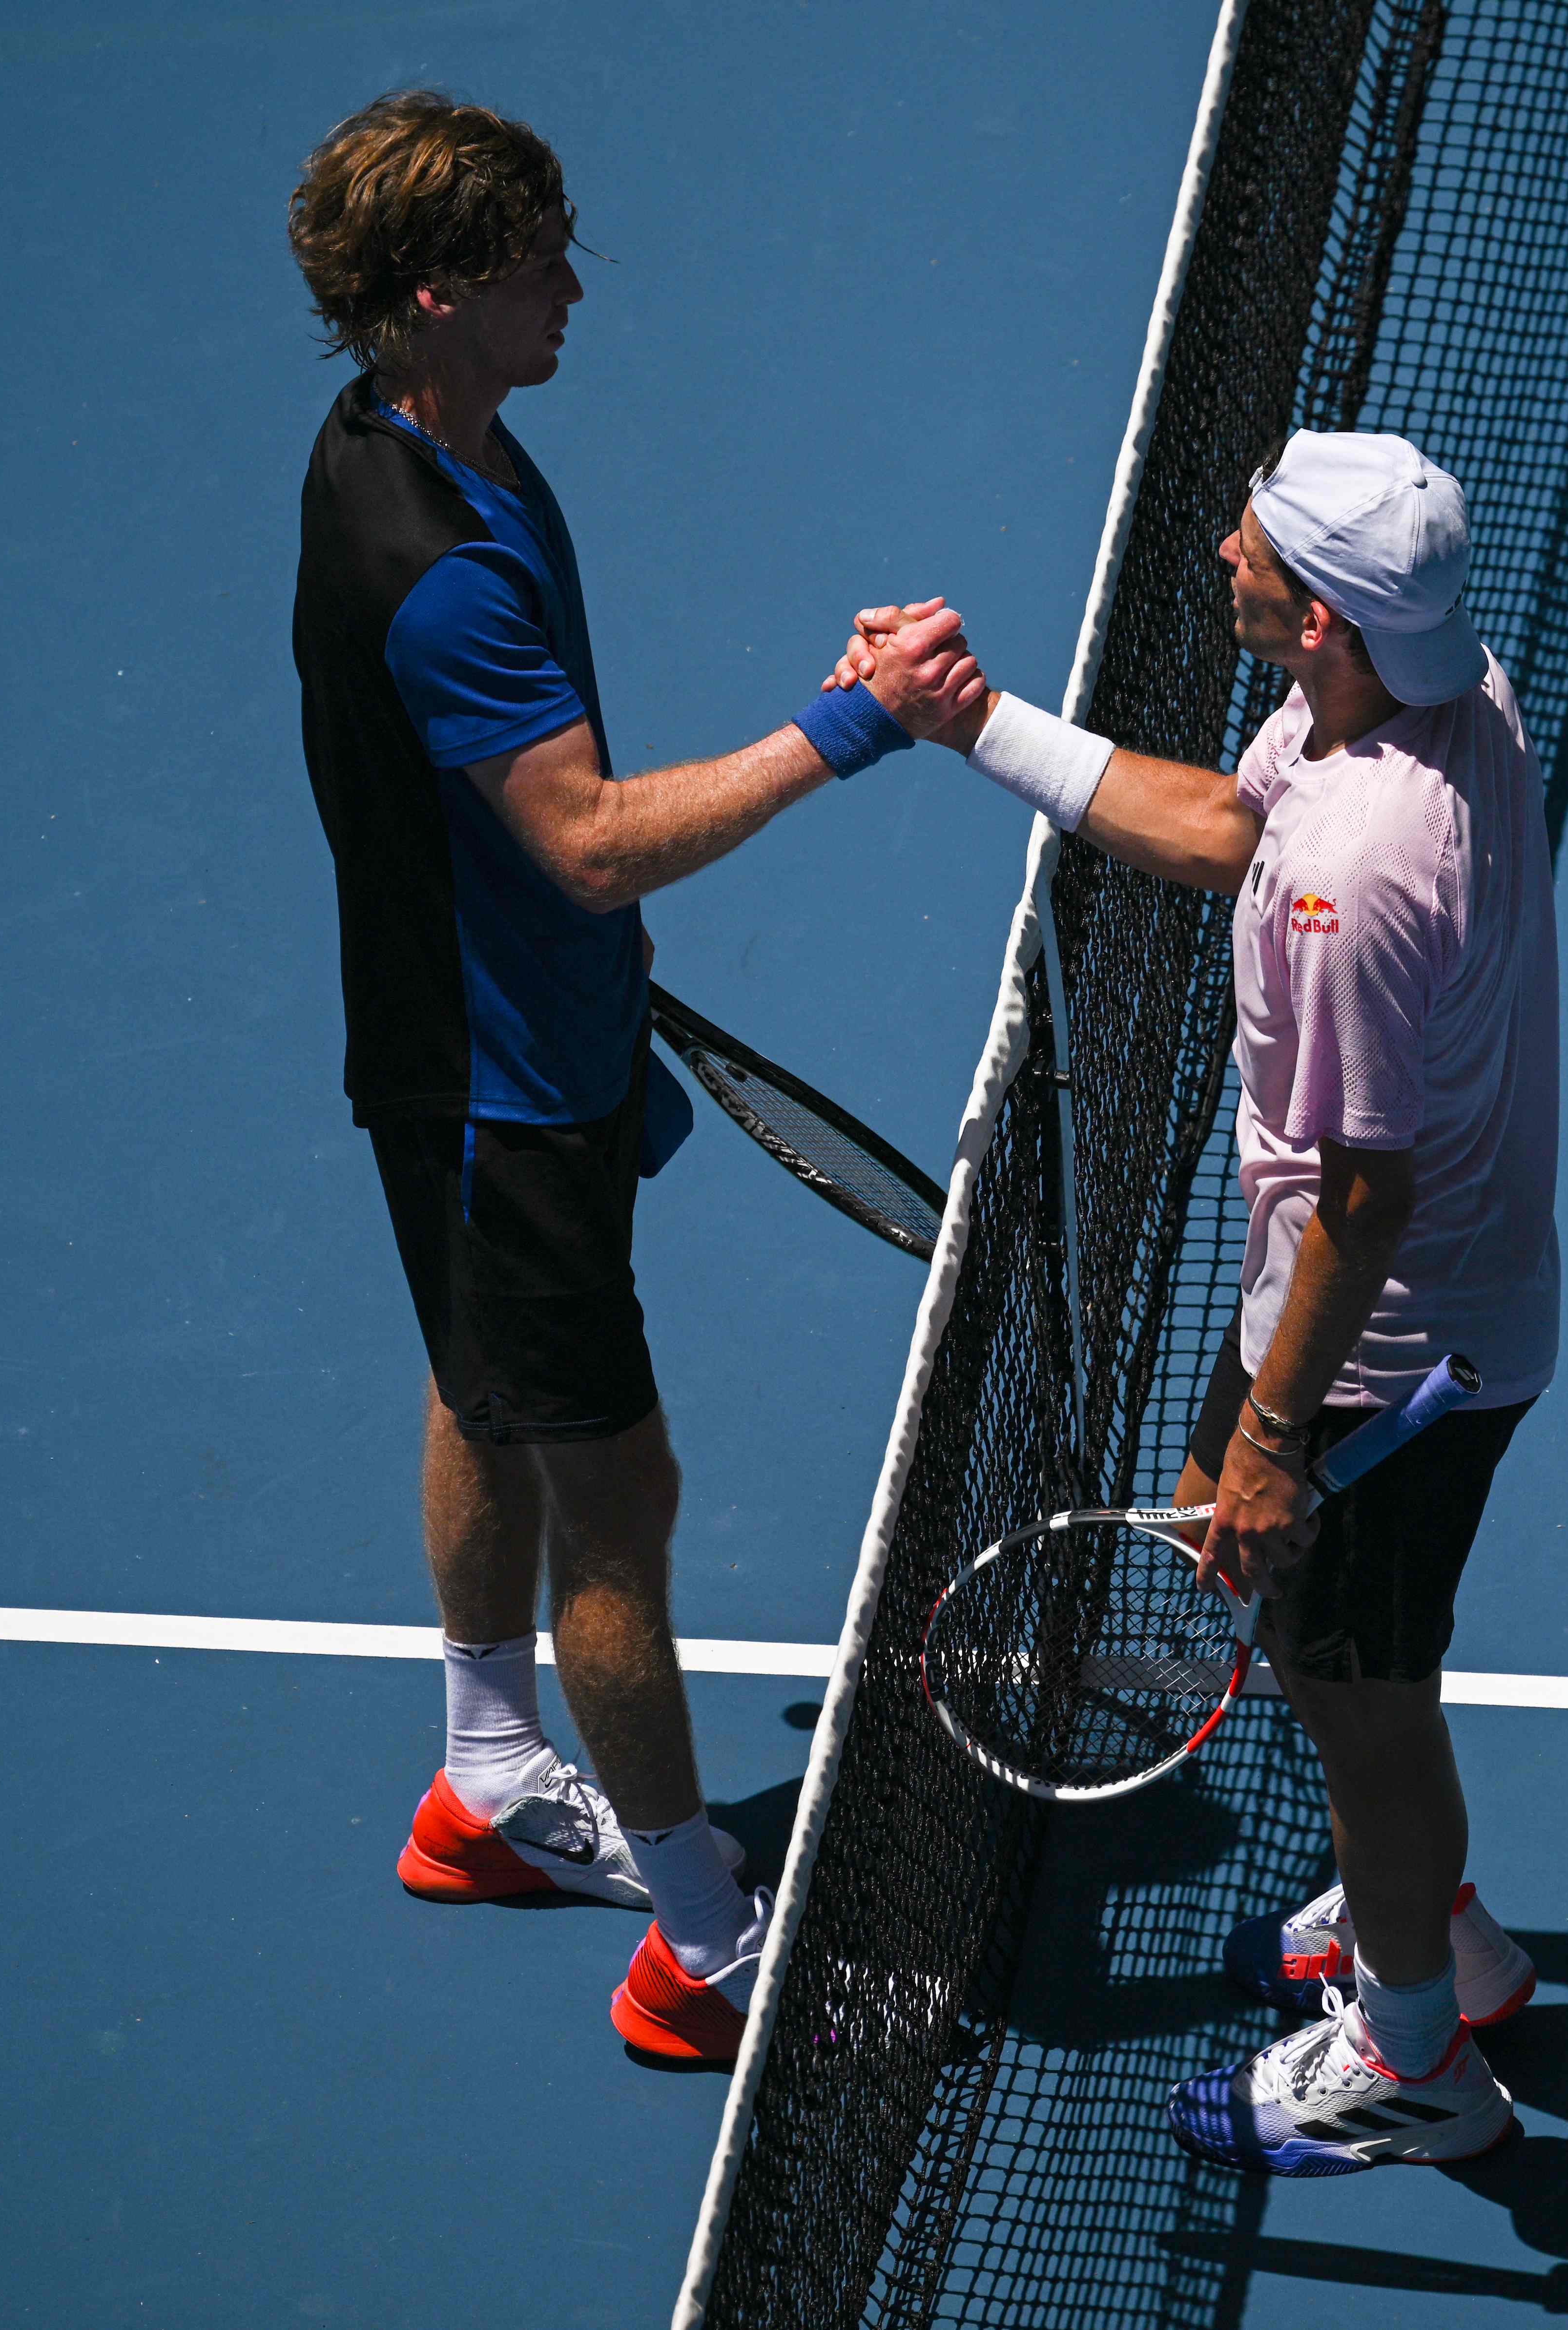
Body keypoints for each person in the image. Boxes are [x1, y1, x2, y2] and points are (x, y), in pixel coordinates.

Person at [284, 90, 982, 2065]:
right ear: (440, 295)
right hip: (496, 1099)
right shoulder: (435, 564)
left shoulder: (426, 443)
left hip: (512, 1046)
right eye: (537, 263)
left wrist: (585, 944)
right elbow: (581, 833)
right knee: (621, 1498)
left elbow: (527, 847)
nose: (575, 287)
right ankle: (702, 1944)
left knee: (477, 1382)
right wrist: (849, 727)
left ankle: (489, 1778)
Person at [838, 429, 1560, 2170]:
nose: (1215, 544)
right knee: (1330, 1675)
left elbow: (1369, 1197)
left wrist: (1269, 1439)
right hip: (1364, 1326)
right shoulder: (1410, 693)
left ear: (1314, 610)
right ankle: (1437, 1936)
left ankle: (1417, 2059)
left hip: (1389, 1368)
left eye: (1245, 535)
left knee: (1365, 1706)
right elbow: (1228, 821)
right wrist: (976, 721)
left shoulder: (1359, 876)